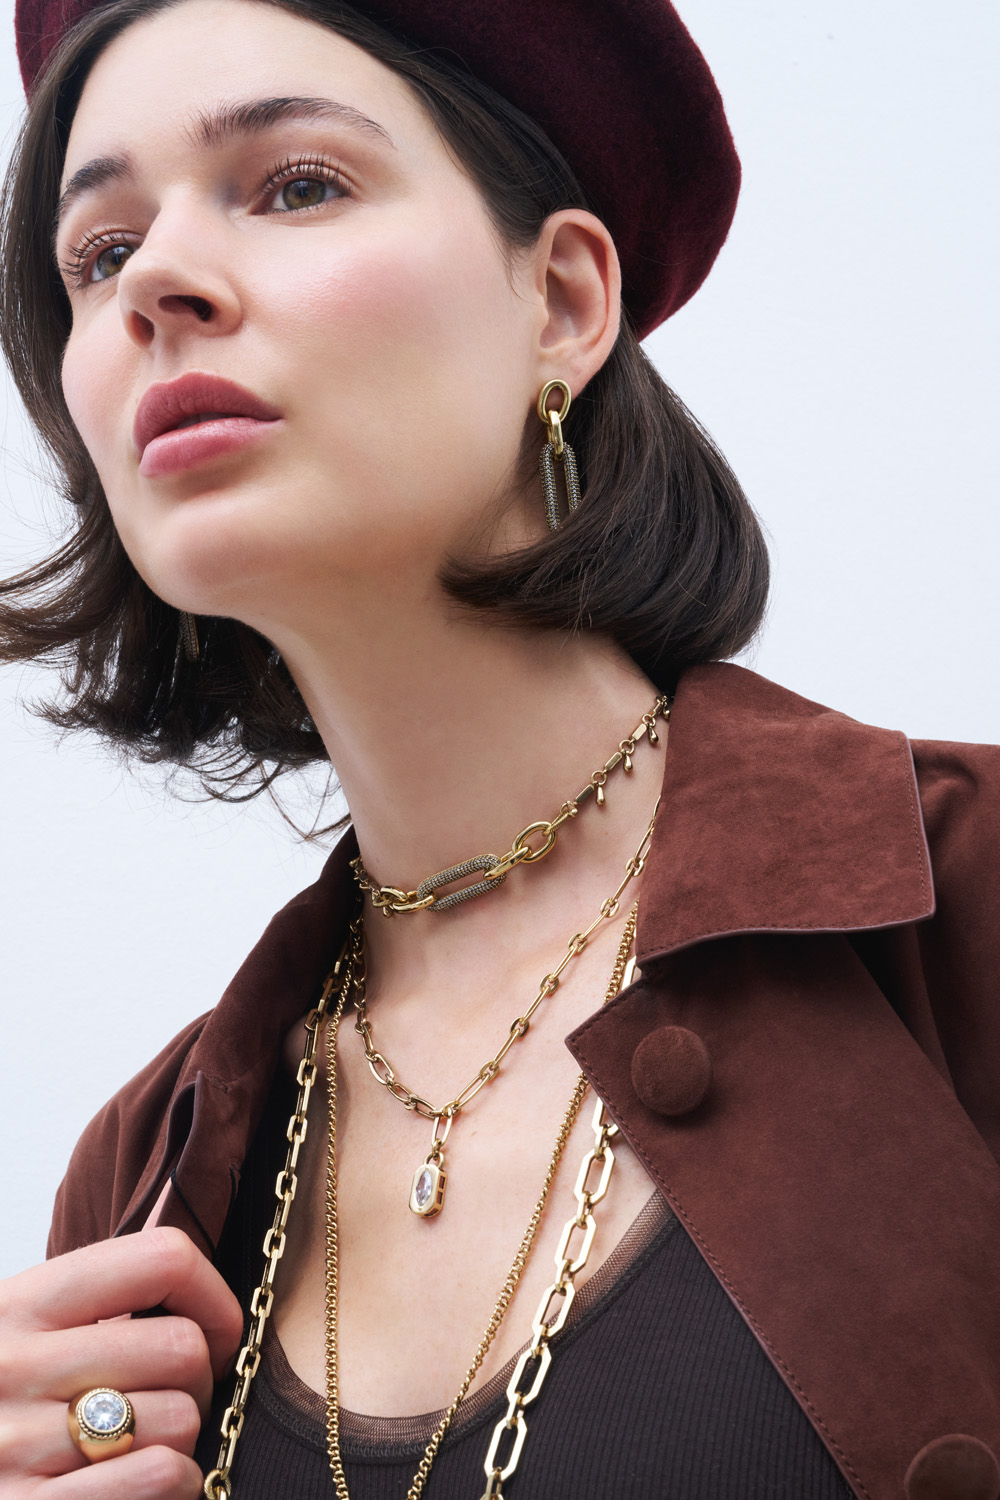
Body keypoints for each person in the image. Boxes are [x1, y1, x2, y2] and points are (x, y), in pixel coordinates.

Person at [1, 1, 998, 1499]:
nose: (157, 283)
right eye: (98, 253)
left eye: (297, 185)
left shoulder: (964, 904)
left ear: (564, 300)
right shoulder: (145, 1176)